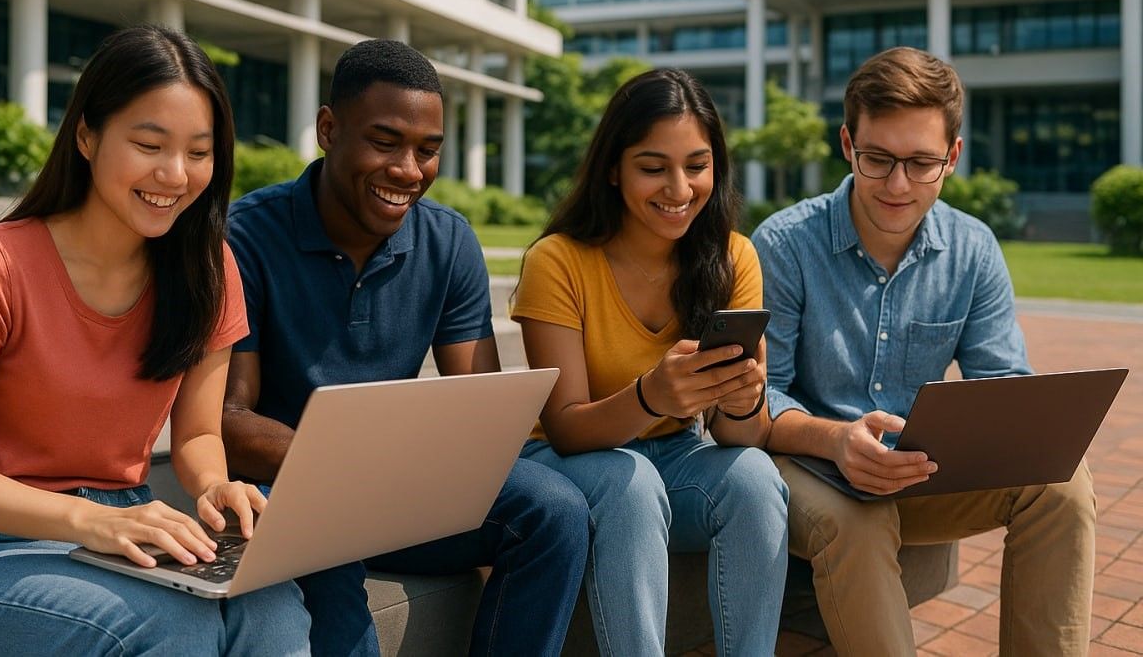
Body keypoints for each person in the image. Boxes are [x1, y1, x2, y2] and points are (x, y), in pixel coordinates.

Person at [0, 26, 311, 656]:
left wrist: (215, 489)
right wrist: (90, 519)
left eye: (199, 153)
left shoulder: (209, 270)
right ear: (87, 136)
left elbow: (200, 435)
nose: (174, 175)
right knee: (173, 629)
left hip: (130, 523)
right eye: (149, 144)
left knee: (274, 609)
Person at [222, 39, 589, 657]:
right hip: (293, 496)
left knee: (554, 509)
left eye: (428, 150)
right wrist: (354, 462)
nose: (409, 170)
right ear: (328, 129)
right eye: (385, 142)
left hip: (396, 494)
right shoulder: (246, 237)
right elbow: (228, 419)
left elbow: (480, 411)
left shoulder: (449, 242)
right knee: (340, 611)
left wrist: (411, 464)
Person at [753, 46, 1096, 656]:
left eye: (920, 163)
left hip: (919, 471)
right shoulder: (784, 244)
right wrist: (836, 440)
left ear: (953, 157)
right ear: (847, 145)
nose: (897, 184)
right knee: (856, 523)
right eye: (878, 159)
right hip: (810, 465)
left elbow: (1004, 383)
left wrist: (1006, 423)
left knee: (1063, 481)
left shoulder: (973, 248)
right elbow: (759, 397)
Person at [510, 68, 789, 657]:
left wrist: (743, 400)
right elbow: (565, 425)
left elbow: (743, 436)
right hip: (570, 462)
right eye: (653, 167)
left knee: (756, 478)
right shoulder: (558, 262)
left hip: (675, 456)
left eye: (697, 164)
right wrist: (651, 397)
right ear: (614, 168)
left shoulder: (734, 257)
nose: (680, 188)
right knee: (629, 482)